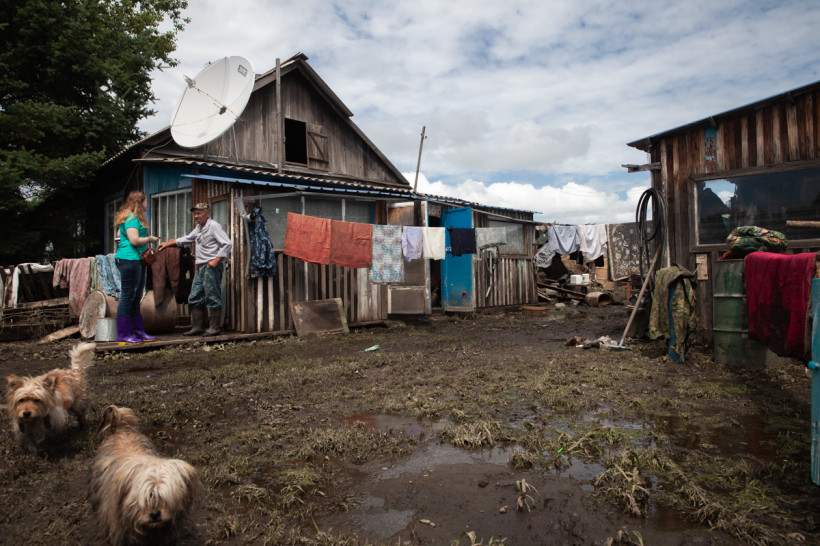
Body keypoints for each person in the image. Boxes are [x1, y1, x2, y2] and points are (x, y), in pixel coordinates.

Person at [159, 203, 232, 336]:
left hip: (211, 266)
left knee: (212, 295)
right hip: (200, 267)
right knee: (194, 296)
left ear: (207, 213)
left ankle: (214, 328)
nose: (196, 216)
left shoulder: (214, 226)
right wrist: (168, 243)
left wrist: (216, 260)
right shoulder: (199, 228)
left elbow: (227, 243)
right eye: (195, 214)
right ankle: (197, 327)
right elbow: (188, 238)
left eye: (199, 213)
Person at [113, 191, 160, 344]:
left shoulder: (130, 217)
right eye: (145, 201)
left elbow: (119, 236)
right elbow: (134, 240)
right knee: (128, 296)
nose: (147, 204)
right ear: (140, 202)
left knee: (136, 296)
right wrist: (150, 239)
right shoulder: (132, 218)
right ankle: (123, 334)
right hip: (129, 260)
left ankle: (138, 331)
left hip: (135, 260)